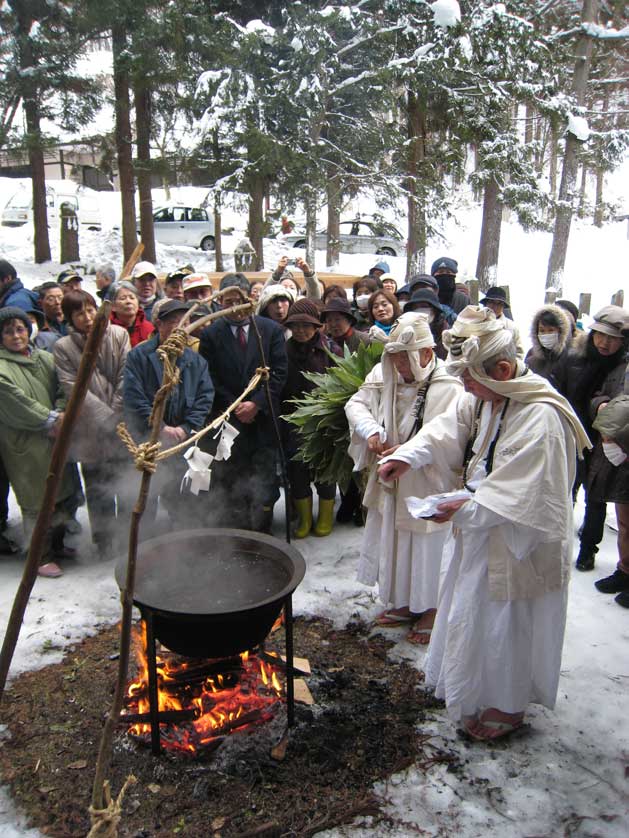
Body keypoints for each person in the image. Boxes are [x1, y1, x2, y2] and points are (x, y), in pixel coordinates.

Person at [378, 306, 589, 741]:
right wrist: (405, 456)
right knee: (472, 613)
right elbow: (445, 430)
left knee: (505, 624)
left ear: (505, 369)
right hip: (481, 528)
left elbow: (525, 494)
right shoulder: (486, 395)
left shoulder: (541, 416)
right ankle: (471, 686)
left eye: (471, 378)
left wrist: (460, 507)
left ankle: (507, 705)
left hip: (518, 542)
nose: (465, 388)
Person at [346, 314, 462, 643]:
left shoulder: (448, 386)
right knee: (395, 540)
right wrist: (371, 431)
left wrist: (410, 452)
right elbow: (357, 403)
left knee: (426, 544)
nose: (400, 368)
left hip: (428, 479)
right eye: (394, 359)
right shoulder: (386, 375)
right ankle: (406, 602)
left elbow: (451, 436)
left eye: (405, 360)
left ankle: (431, 608)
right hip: (390, 479)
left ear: (426, 354)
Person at [199, 281, 288, 533]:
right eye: (228, 302)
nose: (235, 307)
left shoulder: (270, 330)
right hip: (228, 419)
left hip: (263, 420)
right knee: (231, 478)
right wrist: (236, 406)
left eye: (240, 300)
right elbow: (210, 377)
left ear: (251, 298)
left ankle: (263, 529)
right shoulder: (211, 335)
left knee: (264, 479)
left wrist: (257, 403)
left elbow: (279, 372)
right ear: (220, 304)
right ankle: (236, 532)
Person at [124, 300, 214, 530]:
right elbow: (135, 397)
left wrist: (185, 427)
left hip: (183, 441)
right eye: (173, 322)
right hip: (150, 439)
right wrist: (160, 426)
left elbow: (205, 397)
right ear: (159, 324)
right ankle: (141, 550)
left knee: (184, 497)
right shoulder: (139, 356)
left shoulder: (196, 361)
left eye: (184, 322)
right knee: (146, 498)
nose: (178, 327)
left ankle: (185, 546)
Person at [54, 291, 131, 557]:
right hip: (90, 431)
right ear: (69, 318)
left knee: (126, 482)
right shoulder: (63, 347)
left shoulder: (119, 335)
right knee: (98, 488)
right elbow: (73, 388)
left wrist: (117, 412)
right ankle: (104, 541)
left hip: (122, 426)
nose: (87, 318)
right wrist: (105, 417)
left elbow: (126, 374)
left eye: (90, 310)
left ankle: (129, 537)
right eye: (79, 313)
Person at [0, 307, 75, 577]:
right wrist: (52, 419)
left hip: (56, 435)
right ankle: (39, 557)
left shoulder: (44, 357)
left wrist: (62, 411)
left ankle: (58, 544)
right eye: (8, 332)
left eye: (20, 329)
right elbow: (16, 404)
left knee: (62, 493)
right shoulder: (2, 368)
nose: (16, 336)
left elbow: (61, 388)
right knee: (37, 500)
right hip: (25, 443)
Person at [565, 306, 629, 571]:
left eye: (612, 338)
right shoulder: (576, 359)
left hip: (605, 440)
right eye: (600, 335)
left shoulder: (621, 366)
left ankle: (588, 548)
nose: (604, 342)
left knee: (596, 498)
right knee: (567, 488)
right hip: (572, 433)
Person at [281, 299, 342, 537]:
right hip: (293, 421)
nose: (300, 330)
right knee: (297, 470)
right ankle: (304, 520)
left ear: (316, 326)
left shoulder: (330, 349)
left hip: (323, 422)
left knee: (325, 471)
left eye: (306, 326)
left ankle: (325, 516)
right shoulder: (283, 350)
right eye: (295, 325)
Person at [590, 396, 629, 608]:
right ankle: (625, 571)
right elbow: (600, 393)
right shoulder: (622, 369)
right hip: (623, 457)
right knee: (625, 523)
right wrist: (602, 405)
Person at [525, 304, 573, 393]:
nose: (546, 334)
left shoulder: (570, 360)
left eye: (551, 330)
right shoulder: (531, 361)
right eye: (542, 330)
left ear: (560, 331)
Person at [404, 289, 449, 359]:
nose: (419, 310)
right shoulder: (406, 332)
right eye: (415, 307)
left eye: (424, 306)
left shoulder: (447, 334)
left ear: (435, 310)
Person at [479, 287, 524, 358]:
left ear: (503, 306)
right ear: (486, 304)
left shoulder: (511, 327)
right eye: (492, 302)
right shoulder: (475, 323)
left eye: (499, 304)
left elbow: (519, 353)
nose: (495, 307)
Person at [110, 281, 155, 347]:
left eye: (132, 298)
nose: (128, 301)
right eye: (123, 298)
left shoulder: (149, 329)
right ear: (113, 306)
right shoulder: (107, 329)